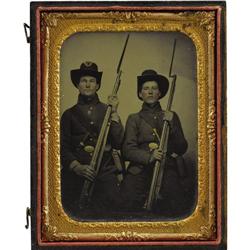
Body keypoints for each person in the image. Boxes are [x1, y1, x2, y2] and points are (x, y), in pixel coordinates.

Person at [121, 69, 191, 217]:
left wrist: (173, 124)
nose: (150, 92)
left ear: (160, 93)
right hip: (140, 168)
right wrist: (149, 157)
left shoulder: (171, 115)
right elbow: (127, 150)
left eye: (154, 88)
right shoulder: (134, 118)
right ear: (140, 94)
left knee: (177, 204)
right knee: (126, 202)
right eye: (146, 89)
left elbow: (182, 148)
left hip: (166, 168)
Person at [60, 61, 124, 218]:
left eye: (92, 81)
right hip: (77, 173)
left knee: (114, 209)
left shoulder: (108, 110)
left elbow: (118, 142)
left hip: (104, 171)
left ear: (97, 85)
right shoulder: (69, 114)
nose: (88, 85)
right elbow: (62, 147)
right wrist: (76, 167)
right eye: (83, 81)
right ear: (78, 85)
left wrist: (114, 113)